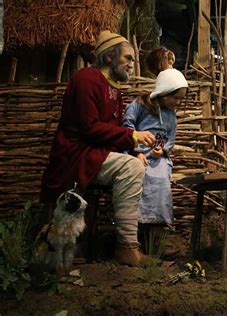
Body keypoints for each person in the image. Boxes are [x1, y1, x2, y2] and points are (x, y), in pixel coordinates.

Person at [40, 30, 156, 265]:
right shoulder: (86, 79)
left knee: (136, 164)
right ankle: (126, 247)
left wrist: (133, 150)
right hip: (76, 154)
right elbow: (90, 128)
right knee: (131, 168)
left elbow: (112, 133)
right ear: (109, 57)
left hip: (95, 153)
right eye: (128, 58)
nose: (133, 64)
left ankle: (126, 243)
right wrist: (132, 137)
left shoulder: (113, 89)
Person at [123, 69, 188, 233]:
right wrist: (136, 151)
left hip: (157, 157)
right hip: (134, 155)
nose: (179, 102)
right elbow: (127, 126)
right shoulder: (140, 106)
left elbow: (171, 136)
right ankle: (137, 226)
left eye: (181, 98)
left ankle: (155, 227)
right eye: (175, 97)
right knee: (139, 181)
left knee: (161, 182)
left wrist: (163, 150)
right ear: (164, 93)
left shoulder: (171, 114)